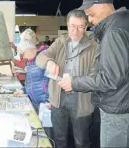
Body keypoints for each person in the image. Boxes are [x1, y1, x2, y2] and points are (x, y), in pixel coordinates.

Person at [57, 0, 129, 148]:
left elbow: (111, 79)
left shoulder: (113, 32)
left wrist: (74, 83)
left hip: (116, 106)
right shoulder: (123, 23)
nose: (90, 19)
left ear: (101, 5)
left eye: (90, 14)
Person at [36, 9, 97, 148]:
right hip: (58, 99)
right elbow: (41, 57)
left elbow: (95, 78)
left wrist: (74, 83)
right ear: (67, 25)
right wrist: (49, 62)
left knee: (81, 141)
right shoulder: (60, 42)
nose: (75, 31)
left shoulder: (94, 47)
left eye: (80, 27)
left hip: (82, 100)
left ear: (86, 27)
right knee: (59, 139)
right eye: (72, 26)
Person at [13, 29, 49, 113]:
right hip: (35, 102)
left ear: (29, 48)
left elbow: (51, 81)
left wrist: (49, 101)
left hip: (45, 104)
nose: (24, 57)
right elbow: (32, 81)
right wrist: (23, 90)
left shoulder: (45, 55)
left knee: (47, 126)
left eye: (23, 54)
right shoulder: (30, 60)